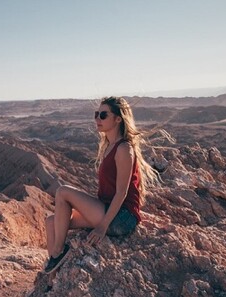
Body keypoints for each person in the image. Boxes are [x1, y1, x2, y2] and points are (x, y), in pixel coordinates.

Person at [43, 96, 157, 273]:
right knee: (51, 222)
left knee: (63, 192)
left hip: (122, 218)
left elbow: (121, 193)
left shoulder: (123, 149)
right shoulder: (110, 146)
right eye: (96, 114)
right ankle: (53, 274)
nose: (97, 119)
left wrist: (102, 227)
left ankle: (58, 252)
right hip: (107, 208)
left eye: (103, 115)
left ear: (118, 119)